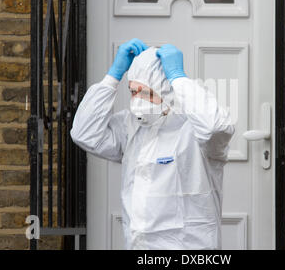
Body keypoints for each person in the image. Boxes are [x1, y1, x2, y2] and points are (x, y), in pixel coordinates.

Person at [70, 38, 235, 250]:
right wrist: (113, 76)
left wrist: (179, 78)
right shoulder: (131, 126)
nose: (137, 100)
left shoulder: (195, 130)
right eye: (133, 91)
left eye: (145, 92)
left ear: (166, 90)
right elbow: (84, 133)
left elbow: (216, 127)